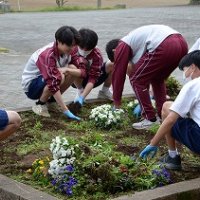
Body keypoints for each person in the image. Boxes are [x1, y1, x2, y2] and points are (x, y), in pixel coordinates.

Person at [108, 24, 188, 129]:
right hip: (181, 42)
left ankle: (150, 119)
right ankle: (162, 114)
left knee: (136, 80)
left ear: (115, 51)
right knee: (157, 79)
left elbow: (119, 75)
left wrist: (117, 102)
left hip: (165, 44)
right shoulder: (134, 42)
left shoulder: (121, 46)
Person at [140, 50, 200, 170]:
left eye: (185, 70)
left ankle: (173, 157)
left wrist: (153, 143)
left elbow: (171, 119)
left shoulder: (194, 84)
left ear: (193, 67)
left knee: (167, 107)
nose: (186, 75)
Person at [22, 26, 81, 120]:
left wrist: (70, 70)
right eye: (69, 45)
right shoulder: (47, 55)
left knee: (72, 69)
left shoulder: (72, 50)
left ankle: (52, 102)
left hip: (49, 80)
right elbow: (52, 83)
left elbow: (82, 71)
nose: (72, 48)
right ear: (58, 41)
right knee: (59, 76)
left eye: (74, 45)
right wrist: (65, 109)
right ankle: (40, 105)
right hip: (32, 86)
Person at [67, 28, 113, 107]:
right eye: (81, 48)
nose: (84, 51)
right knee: (73, 66)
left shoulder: (97, 55)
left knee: (113, 64)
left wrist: (82, 97)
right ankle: (80, 90)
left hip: (93, 79)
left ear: (94, 46)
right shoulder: (71, 49)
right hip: (75, 80)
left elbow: (93, 78)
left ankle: (104, 91)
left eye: (88, 49)